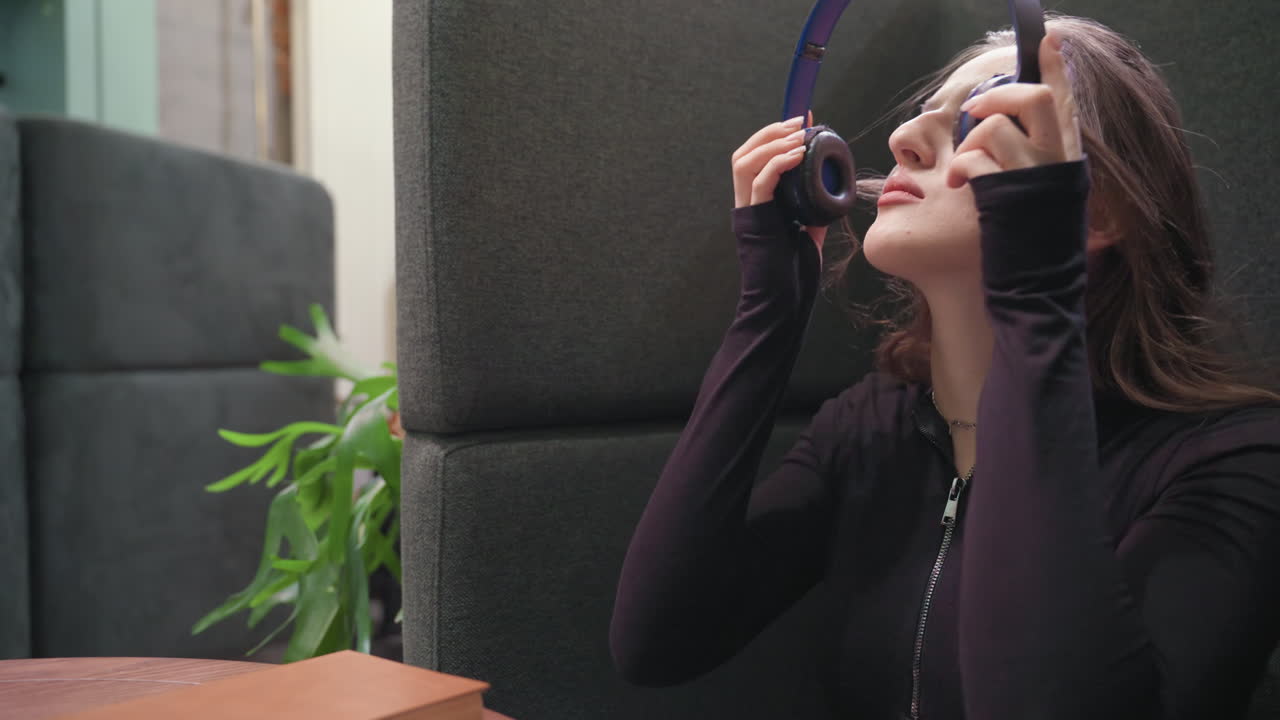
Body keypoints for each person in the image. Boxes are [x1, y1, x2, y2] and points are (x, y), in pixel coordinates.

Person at [609, 12, 1280, 720]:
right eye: (922, 115)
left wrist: (1035, 295)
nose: (902, 138)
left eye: (977, 122)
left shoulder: (1235, 461)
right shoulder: (870, 429)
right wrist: (768, 316)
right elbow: (659, 641)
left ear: (1095, 212)